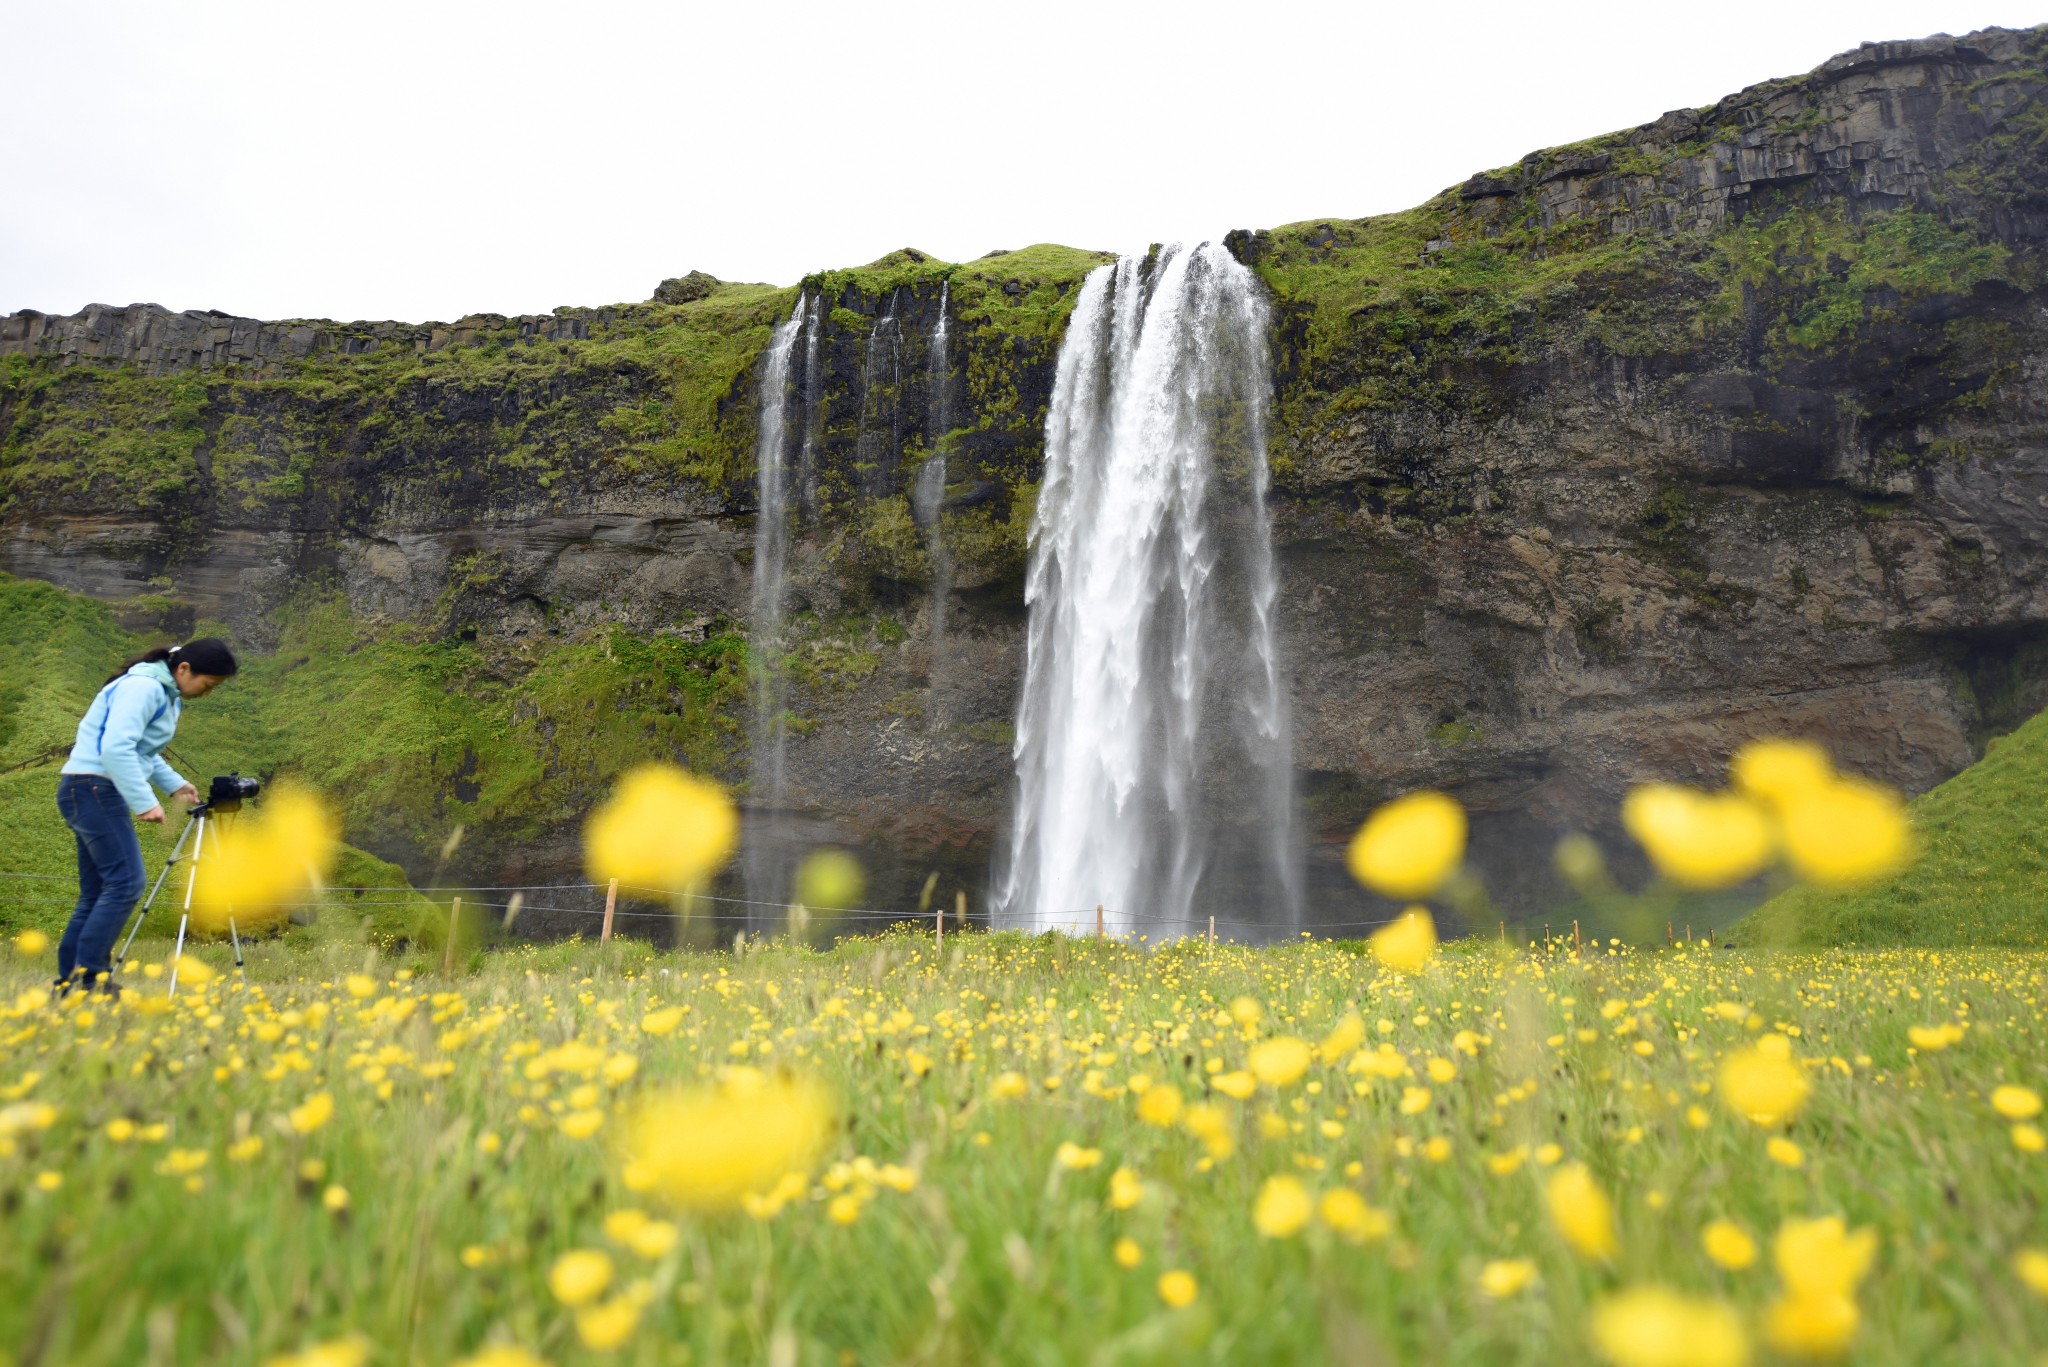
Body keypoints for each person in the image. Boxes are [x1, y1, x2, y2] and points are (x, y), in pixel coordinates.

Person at [54, 638, 239, 994]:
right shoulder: (143, 688)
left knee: (96, 893)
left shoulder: (163, 693)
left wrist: (174, 785)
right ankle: (89, 980)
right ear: (184, 669)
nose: (208, 693)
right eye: (208, 684)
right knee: (126, 883)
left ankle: (70, 982)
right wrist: (143, 800)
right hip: (95, 787)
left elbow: (143, 750)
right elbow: (115, 747)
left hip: (85, 788)